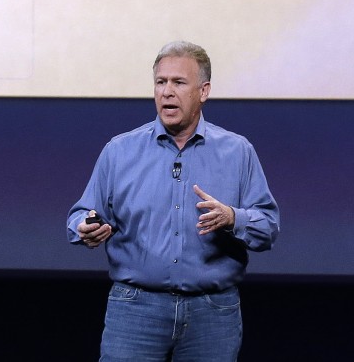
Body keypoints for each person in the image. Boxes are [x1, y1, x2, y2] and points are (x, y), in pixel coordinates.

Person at [67, 41, 279, 361]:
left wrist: (233, 218)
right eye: (160, 82)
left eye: (178, 82)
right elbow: (82, 213)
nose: (167, 92)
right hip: (136, 308)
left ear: (203, 91)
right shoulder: (119, 151)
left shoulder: (237, 152)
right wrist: (83, 226)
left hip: (212, 311)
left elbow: (269, 226)